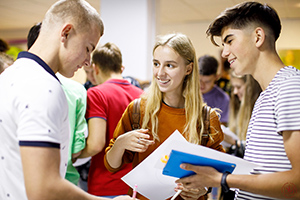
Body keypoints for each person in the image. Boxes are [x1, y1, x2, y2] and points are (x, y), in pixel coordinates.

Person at [0, 0, 133, 199]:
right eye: (88, 48)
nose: (88, 61)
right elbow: (44, 189)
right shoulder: (43, 87)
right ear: (66, 33)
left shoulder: (8, 77)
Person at [176, 2, 300, 200]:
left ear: (258, 37)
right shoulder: (265, 96)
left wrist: (222, 179)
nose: (224, 53)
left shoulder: (290, 87)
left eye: (229, 41)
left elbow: (297, 185)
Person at [104, 33, 225, 200]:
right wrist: (120, 143)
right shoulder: (138, 110)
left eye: (170, 65)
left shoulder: (206, 118)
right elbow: (111, 165)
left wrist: (202, 189)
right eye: (156, 64)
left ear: (188, 69)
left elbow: (218, 175)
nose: (160, 73)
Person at [27, 22, 89, 186]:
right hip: (65, 182)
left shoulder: (13, 81)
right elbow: (77, 149)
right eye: (87, 49)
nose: (86, 60)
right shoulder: (76, 90)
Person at [78, 42, 143, 198]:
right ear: (120, 67)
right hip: (136, 185)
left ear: (96, 68)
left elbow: (95, 144)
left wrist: (74, 155)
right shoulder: (142, 95)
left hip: (106, 185)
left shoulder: (96, 94)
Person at [198, 55, 230, 125]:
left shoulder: (223, 99)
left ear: (216, 77)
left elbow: (222, 127)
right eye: (199, 80)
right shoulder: (185, 92)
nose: (202, 85)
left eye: (207, 82)